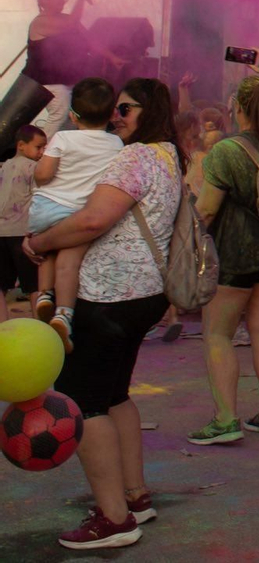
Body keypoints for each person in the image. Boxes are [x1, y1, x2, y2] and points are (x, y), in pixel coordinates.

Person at [21, 78, 183, 549]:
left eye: (126, 108)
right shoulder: (169, 153)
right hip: (144, 293)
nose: (117, 115)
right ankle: (134, 498)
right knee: (114, 396)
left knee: (82, 402)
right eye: (115, 108)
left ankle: (114, 519)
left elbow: (94, 219)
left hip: (108, 296)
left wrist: (40, 242)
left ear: (147, 110)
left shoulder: (135, 157)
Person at [188, 53, 259, 445]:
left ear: (238, 109)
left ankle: (225, 419)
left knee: (218, 334)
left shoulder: (225, 151)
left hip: (235, 256)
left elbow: (205, 209)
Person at [30, 77, 122, 351]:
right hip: (79, 213)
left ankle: (44, 295)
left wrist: (38, 169)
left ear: (72, 115)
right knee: (68, 261)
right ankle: (64, 314)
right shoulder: (116, 143)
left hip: (45, 209)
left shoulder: (63, 137)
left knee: (47, 251)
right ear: (111, 115)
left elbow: (44, 175)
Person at [21, 0, 122, 136]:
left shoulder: (67, 19)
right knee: (61, 113)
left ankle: (59, 153)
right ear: (43, 1)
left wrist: (112, 57)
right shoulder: (41, 21)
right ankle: (43, 152)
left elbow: (90, 40)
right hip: (45, 82)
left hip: (65, 81)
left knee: (70, 119)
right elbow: (70, 24)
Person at [0, 124, 47, 319]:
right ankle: (40, 326)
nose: (42, 152)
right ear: (21, 145)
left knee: (1, 285)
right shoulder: (35, 168)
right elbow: (40, 200)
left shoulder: (4, 166)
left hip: (1, 232)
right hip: (23, 233)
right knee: (35, 285)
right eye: (39, 147)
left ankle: (3, 328)